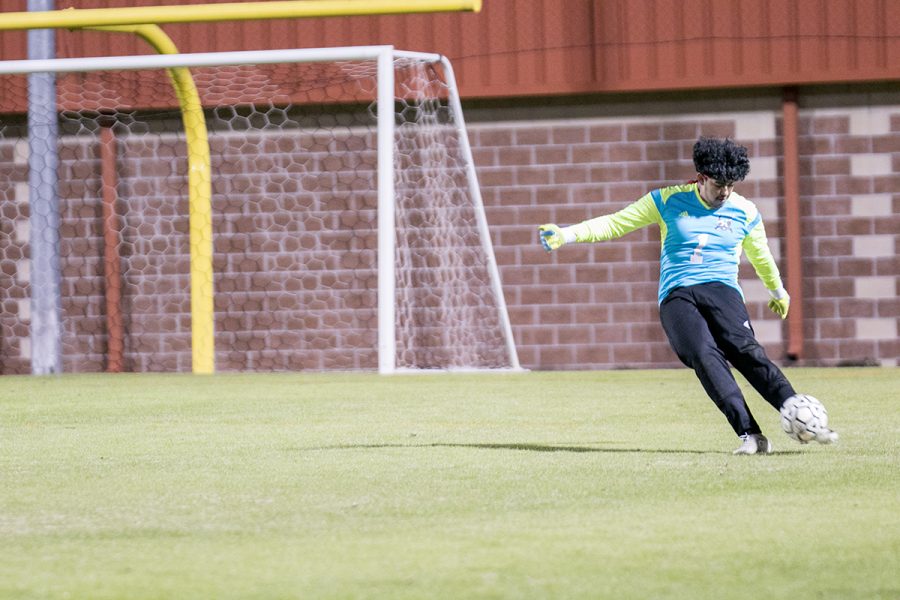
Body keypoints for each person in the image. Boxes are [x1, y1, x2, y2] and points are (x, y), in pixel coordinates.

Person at [538, 136, 837, 455]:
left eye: (731, 185)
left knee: (744, 350)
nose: (725, 192)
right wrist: (566, 234)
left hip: (722, 289)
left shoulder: (745, 212)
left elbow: (761, 255)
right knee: (703, 354)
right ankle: (750, 434)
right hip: (677, 294)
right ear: (702, 177)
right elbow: (615, 223)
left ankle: (801, 414)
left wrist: (777, 291)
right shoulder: (666, 200)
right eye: (719, 184)